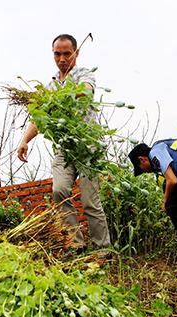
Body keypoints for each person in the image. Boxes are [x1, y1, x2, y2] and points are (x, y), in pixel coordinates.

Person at [17, 34, 110, 250]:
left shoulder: (83, 74)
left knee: (89, 201)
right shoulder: (50, 86)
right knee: (59, 191)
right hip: (64, 148)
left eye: (66, 54)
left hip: (88, 148)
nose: (62, 59)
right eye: (57, 54)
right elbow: (39, 118)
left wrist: (63, 98)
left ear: (76, 53)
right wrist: (25, 140)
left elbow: (86, 91)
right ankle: (76, 245)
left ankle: (103, 249)